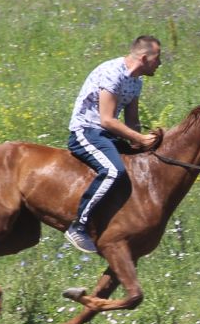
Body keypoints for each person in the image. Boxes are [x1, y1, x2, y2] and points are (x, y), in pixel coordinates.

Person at [64, 35, 165, 252]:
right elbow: (107, 119)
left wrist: (143, 143)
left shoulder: (136, 82)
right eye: (158, 58)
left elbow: (132, 122)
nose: (160, 63)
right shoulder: (112, 73)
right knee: (114, 171)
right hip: (87, 132)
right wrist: (138, 139)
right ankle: (78, 225)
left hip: (107, 135)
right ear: (145, 58)